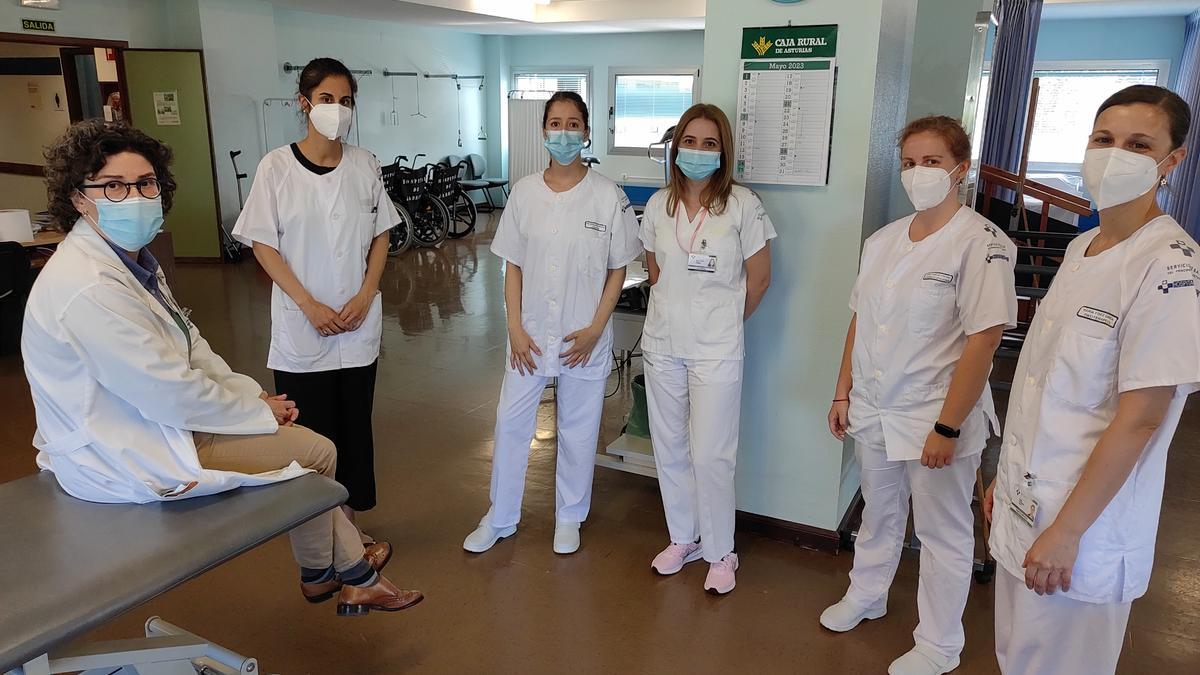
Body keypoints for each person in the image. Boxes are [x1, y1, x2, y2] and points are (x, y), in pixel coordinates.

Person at [22, 119, 421, 615]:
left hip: (163, 417)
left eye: (145, 183)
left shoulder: (128, 259)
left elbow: (190, 346)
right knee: (315, 452)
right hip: (126, 442)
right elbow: (165, 391)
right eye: (114, 187)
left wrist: (253, 397)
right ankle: (336, 572)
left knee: (307, 452)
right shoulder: (90, 285)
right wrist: (257, 415)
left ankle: (336, 573)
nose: (136, 197)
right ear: (80, 199)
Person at [986, 85, 1198, 674]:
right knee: (1017, 655)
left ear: (1172, 159)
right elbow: (1042, 386)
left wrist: (1067, 530)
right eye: (1104, 140)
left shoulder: (1170, 265)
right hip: (1029, 501)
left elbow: (1142, 418)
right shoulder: (1084, 247)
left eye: (1138, 144)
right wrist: (1006, 485)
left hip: (1084, 527)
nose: (1114, 154)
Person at [820, 116, 1016, 675]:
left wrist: (949, 427)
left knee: (943, 530)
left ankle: (938, 641)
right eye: (909, 162)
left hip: (935, 415)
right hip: (875, 408)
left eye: (931, 161)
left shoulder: (982, 244)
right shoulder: (883, 241)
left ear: (961, 168)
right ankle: (868, 593)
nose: (918, 172)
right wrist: (842, 393)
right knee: (880, 511)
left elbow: (985, 341)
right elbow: (860, 322)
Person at [462, 91, 640, 556]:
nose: (564, 132)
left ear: (586, 132)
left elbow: (618, 267)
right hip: (530, 334)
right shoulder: (524, 192)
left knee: (579, 429)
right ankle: (500, 517)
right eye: (556, 123)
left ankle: (569, 517)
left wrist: (598, 328)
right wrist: (515, 328)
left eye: (573, 123)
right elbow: (513, 265)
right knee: (510, 423)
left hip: (585, 334)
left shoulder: (607, 196)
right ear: (544, 131)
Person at [233, 58, 397, 534]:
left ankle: (347, 529)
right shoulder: (276, 168)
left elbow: (381, 233)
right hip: (303, 328)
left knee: (353, 430)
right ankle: (316, 532)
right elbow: (263, 243)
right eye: (327, 99)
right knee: (310, 434)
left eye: (346, 101)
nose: (337, 109)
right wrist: (307, 303)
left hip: (357, 323)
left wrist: (367, 293)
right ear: (303, 103)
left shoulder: (364, 164)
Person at [640, 103, 775, 595]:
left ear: (724, 151)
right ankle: (683, 538)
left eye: (709, 143)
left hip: (717, 348)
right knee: (669, 447)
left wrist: (719, 323)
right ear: (677, 148)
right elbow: (654, 272)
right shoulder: (659, 205)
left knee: (713, 454)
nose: (698, 151)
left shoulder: (743, 205)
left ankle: (721, 551)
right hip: (661, 343)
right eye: (690, 142)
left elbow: (759, 280)